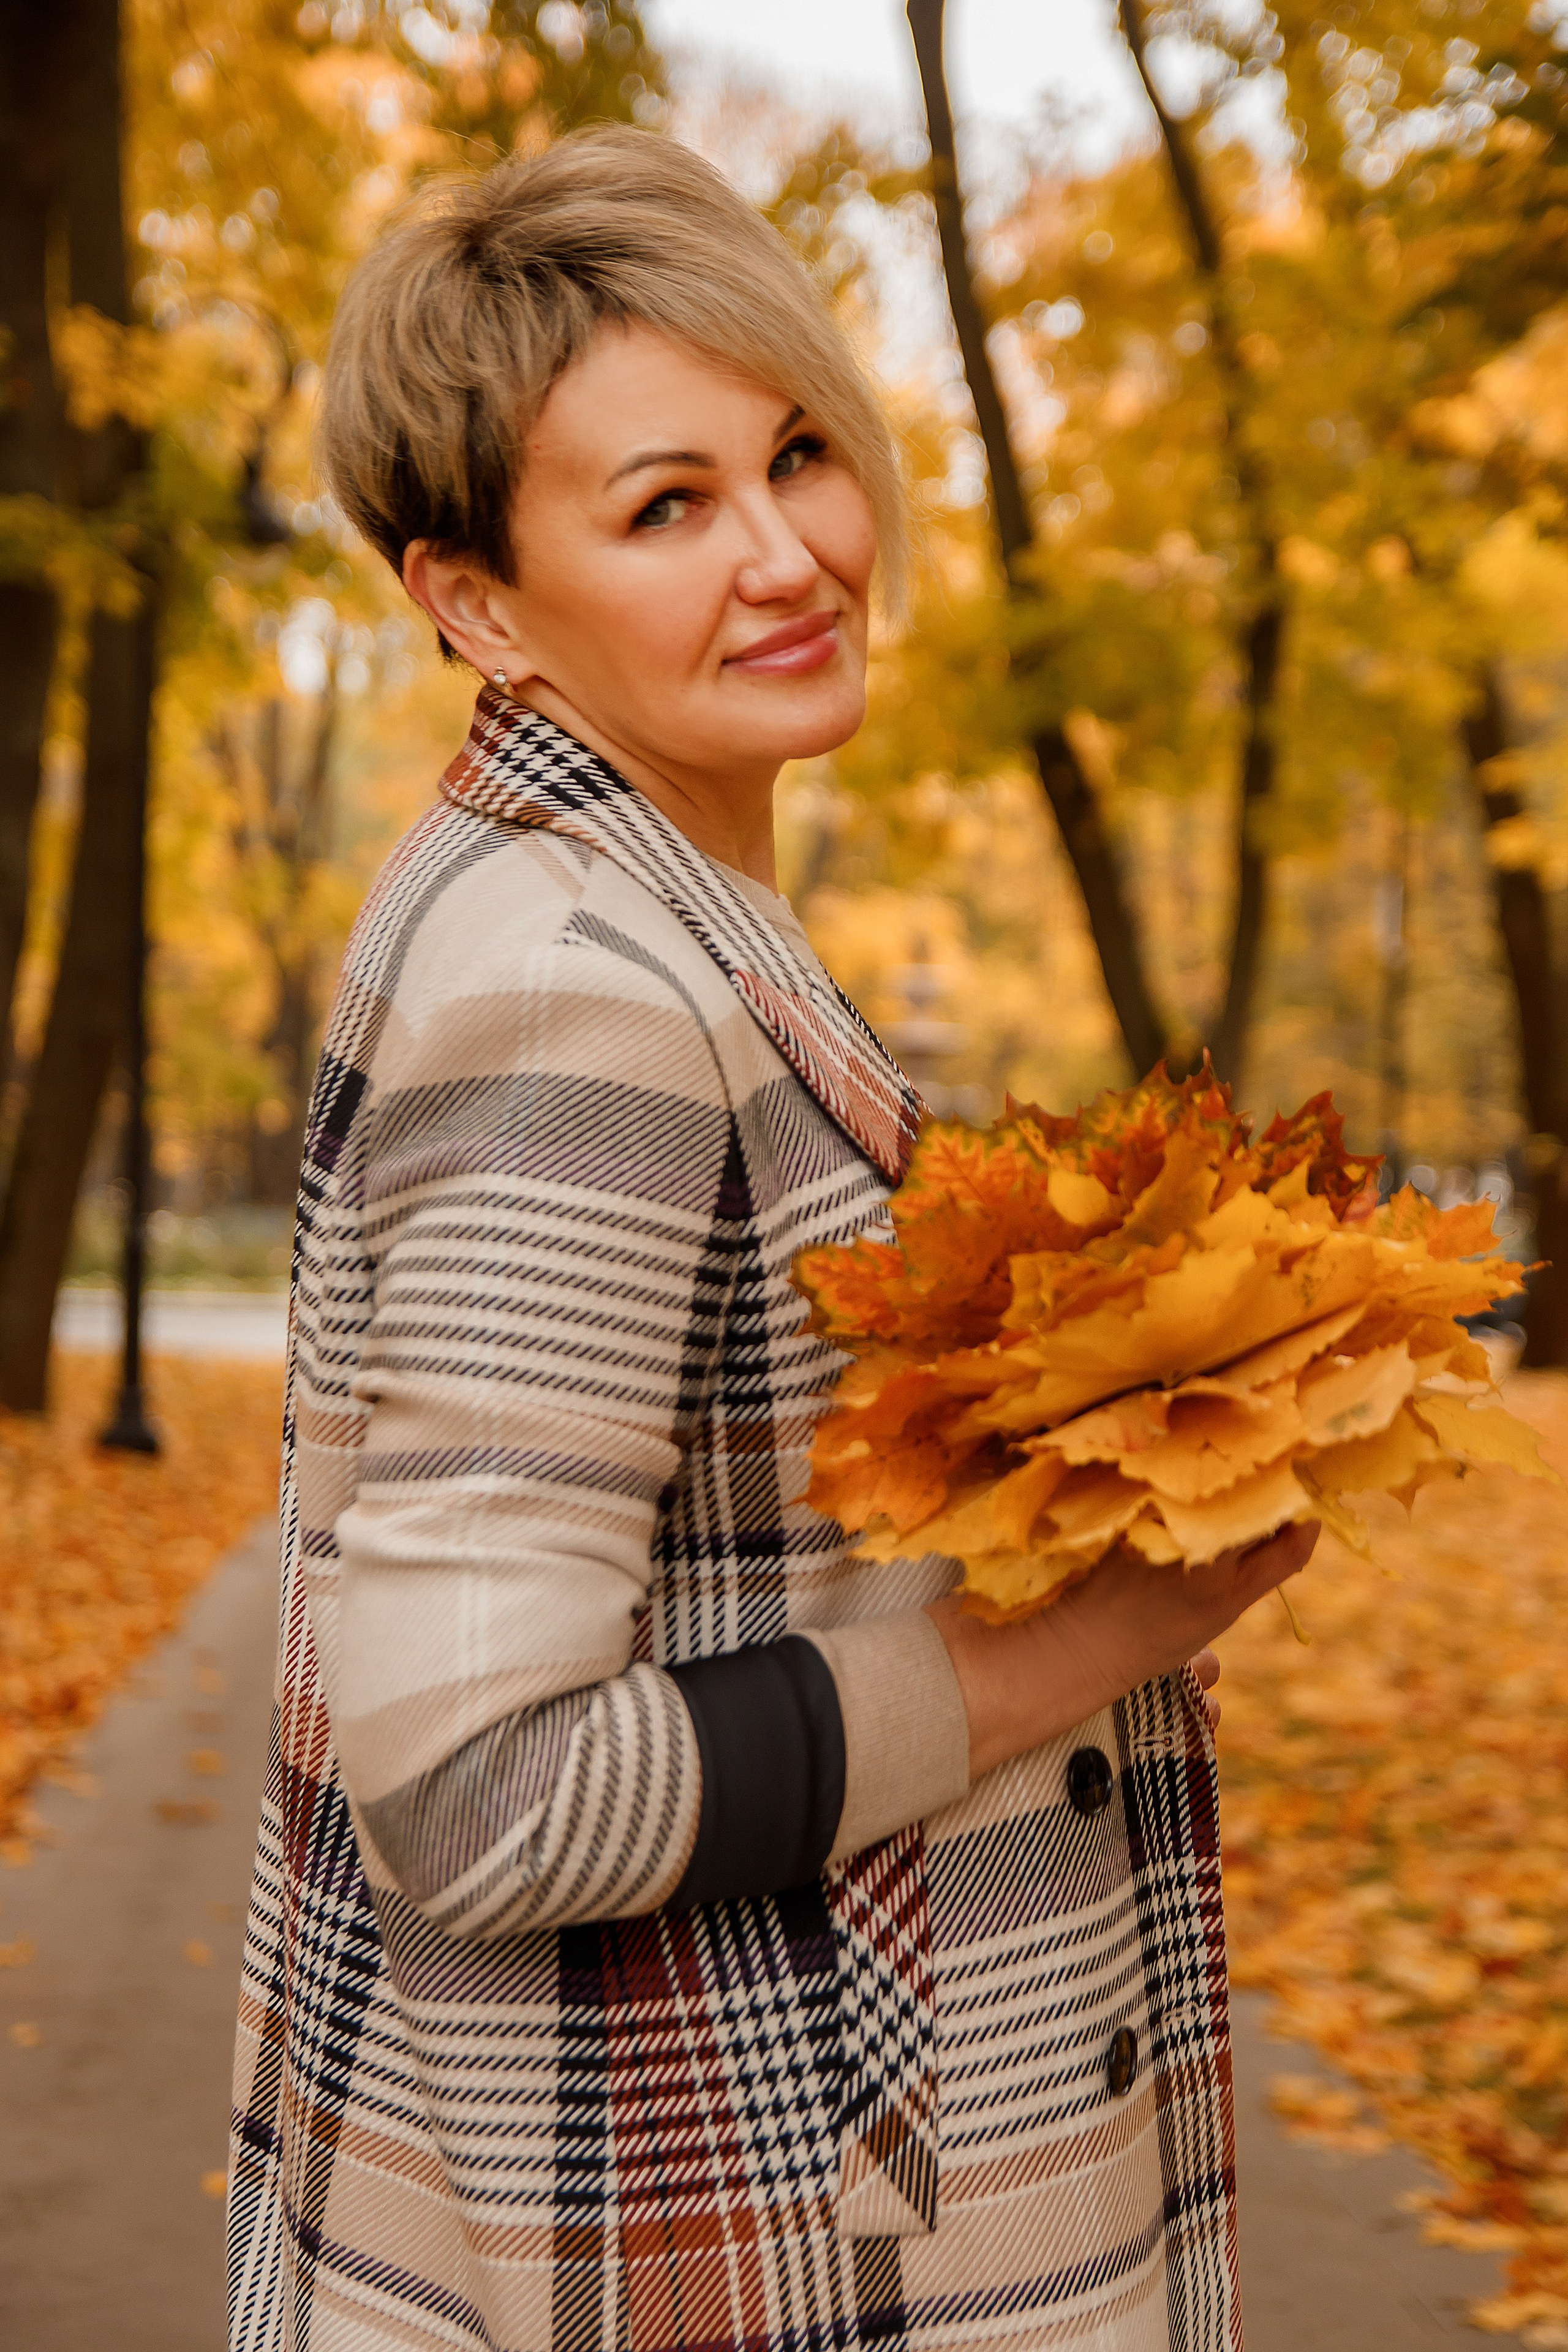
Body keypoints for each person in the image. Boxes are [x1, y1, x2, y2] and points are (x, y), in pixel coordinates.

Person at [226, 126, 1312, 2352]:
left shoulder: (650, 907)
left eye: (798, 451)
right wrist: (1081, 1641)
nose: (790, 552)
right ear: (475, 604)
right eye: (665, 506)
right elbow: (486, 1797)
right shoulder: (581, 994)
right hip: (757, 2242)